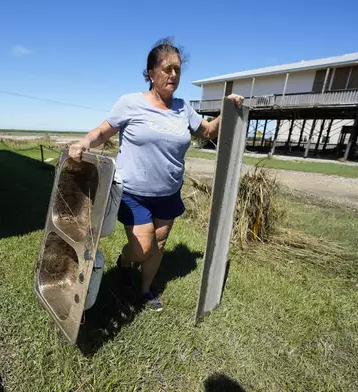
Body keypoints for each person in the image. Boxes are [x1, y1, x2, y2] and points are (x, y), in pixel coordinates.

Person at [69, 38, 244, 311]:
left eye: (177, 70)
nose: (173, 75)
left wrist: (228, 110)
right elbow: (103, 131)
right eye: (167, 69)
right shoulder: (130, 103)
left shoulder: (183, 108)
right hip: (133, 193)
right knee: (143, 248)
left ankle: (145, 290)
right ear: (151, 73)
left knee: (160, 243)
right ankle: (125, 262)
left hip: (169, 192)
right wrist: (84, 142)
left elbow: (208, 131)